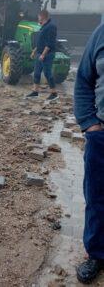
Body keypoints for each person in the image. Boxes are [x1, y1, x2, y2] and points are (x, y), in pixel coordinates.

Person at [74, 23, 104, 284]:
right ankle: (96, 253)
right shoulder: (101, 33)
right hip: (102, 136)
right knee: (96, 196)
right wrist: (89, 123)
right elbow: (83, 79)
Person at [27, 10, 58, 100]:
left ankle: (54, 93)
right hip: (39, 53)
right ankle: (35, 92)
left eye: (38, 17)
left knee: (47, 73)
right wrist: (34, 51)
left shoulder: (51, 26)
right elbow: (41, 41)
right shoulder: (43, 26)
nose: (38, 18)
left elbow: (50, 43)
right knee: (36, 73)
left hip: (47, 55)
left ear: (42, 16)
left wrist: (43, 55)